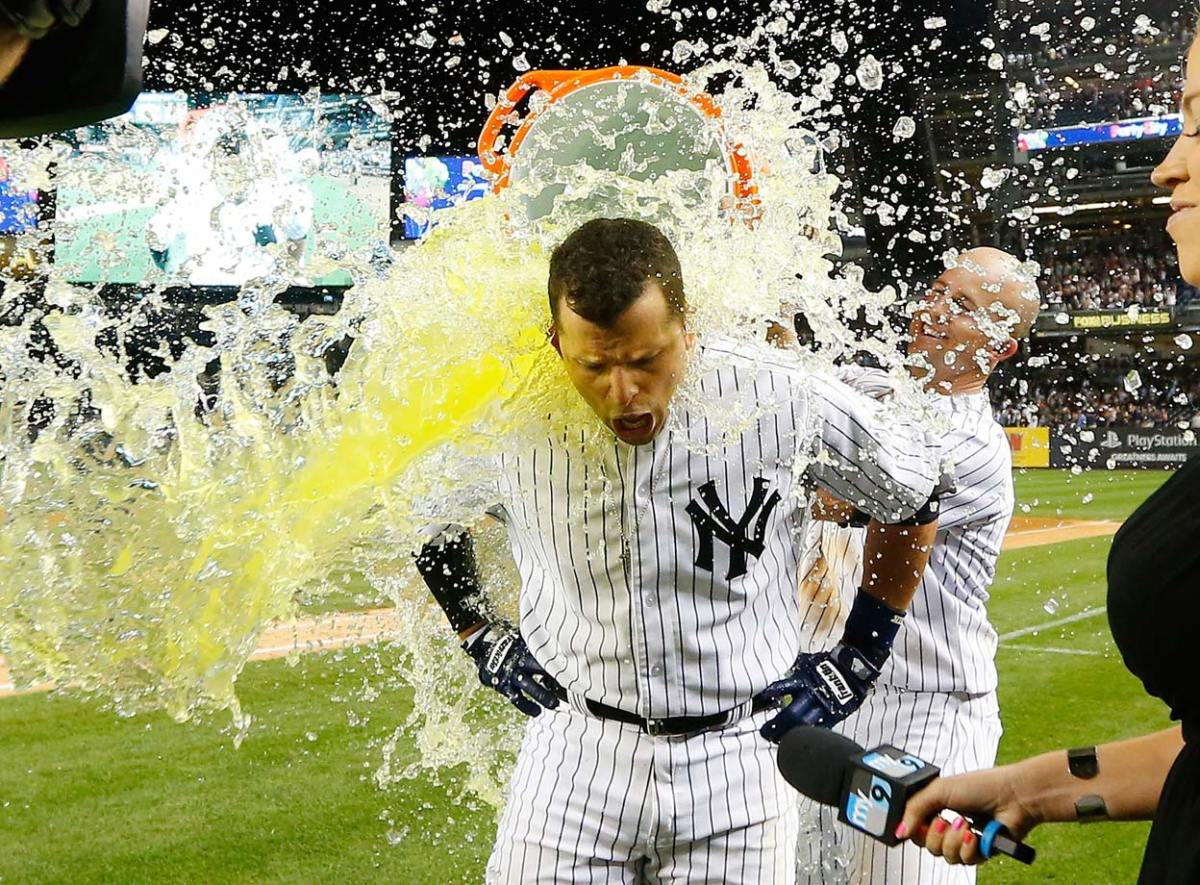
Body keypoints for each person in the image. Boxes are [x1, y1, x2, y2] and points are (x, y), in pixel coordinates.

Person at [415, 217, 950, 883]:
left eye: (645, 359)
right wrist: (474, 629)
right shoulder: (504, 411)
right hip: (574, 750)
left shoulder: (777, 393)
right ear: (557, 343)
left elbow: (917, 491)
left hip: (740, 759)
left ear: (687, 329)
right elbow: (421, 506)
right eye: (594, 364)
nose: (622, 390)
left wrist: (864, 648)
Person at [892, 27, 1200, 884]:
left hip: (926, 706)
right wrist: (1029, 790)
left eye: (1197, 123)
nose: (1165, 166)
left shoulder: (970, 444)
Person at [789, 247, 1040, 885]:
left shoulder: (971, 445)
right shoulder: (877, 390)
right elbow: (782, 381)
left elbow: (822, 494)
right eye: (937, 290)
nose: (934, 308)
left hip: (926, 710)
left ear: (998, 350)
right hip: (837, 690)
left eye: (964, 307)